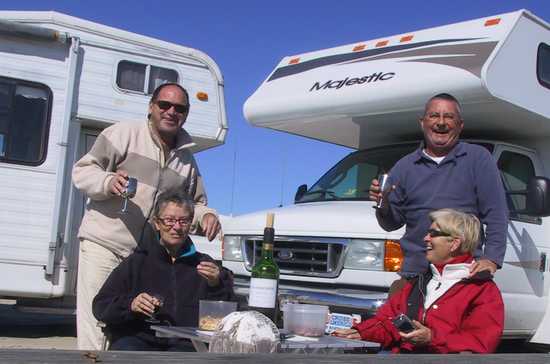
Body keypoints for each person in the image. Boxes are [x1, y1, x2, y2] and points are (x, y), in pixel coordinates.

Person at [72, 82, 221, 350]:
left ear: (185, 114)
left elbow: (194, 204)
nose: (171, 111)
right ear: (151, 107)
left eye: (179, 108)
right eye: (164, 105)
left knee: (132, 324)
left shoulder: (186, 160)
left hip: (143, 256)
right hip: (104, 244)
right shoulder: (123, 134)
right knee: (97, 322)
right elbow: (83, 172)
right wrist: (108, 181)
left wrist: (207, 216)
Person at [369, 93, 508, 284]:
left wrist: (491, 259)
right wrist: (382, 204)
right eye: (434, 115)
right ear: (422, 122)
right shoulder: (404, 166)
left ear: (460, 125)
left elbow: (497, 214)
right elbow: (391, 224)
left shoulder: (478, 159)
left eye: (449, 117)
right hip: (414, 274)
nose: (441, 122)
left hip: (462, 275)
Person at [333, 209, 504, 353]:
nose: (425, 239)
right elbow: (388, 321)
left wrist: (432, 338)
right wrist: (358, 333)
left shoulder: (482, 289)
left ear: (454, 243)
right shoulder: (419, 282)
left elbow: (481, 343)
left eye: (433, 234)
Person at [93, 192, 235, 351]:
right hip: (138, 339)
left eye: (184, 221)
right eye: (169, 220)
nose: (177, 227)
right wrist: (130, 305)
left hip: (186, 344)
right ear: (156, 224)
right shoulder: (136, 262)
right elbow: (100, 306)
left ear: (190, 225)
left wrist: (216, 285)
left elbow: (226, 318)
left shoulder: (205, 265)